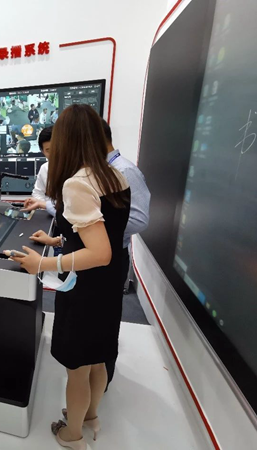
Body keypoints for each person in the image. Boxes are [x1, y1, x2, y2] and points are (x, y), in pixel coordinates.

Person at [11, 104, 131, 450]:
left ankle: (72, 434)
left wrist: (43, 264)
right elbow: (103, 234)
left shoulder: (77, 184)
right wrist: (57, 241)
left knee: (77, 367)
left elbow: (99, 251)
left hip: (86, 287)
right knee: (98, 356)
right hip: (109, 283)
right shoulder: (114, 175)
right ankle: (90, 416)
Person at [100, 119, 150, 384]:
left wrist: (96, 231)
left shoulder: (125, 171)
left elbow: (139, 219)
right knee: (96, 321)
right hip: (100, 256)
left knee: (107, 319)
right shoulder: (105, 170)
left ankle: (104, 378)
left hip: (112, 257)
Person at [24, 126, 55, 216]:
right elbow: (37, 193)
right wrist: (46, 205)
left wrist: (45, 204)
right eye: (48, 150)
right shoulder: (45, 168)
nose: (54, 154)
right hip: (49, 216)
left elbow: (70, 207)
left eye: (57, 148)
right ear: (42, 151)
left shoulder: (77, 169)